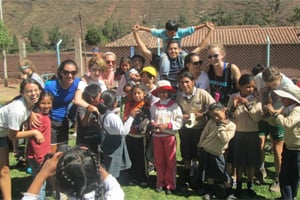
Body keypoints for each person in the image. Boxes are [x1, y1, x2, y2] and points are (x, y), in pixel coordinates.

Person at [256, 66, 300, 192]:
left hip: (278, 118)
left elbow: (296, 102)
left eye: (274, 84)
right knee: (260, 144)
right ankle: (260, 170)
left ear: (279, 77)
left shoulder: (289, 86)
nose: (272, 87)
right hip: (264, 115)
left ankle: (278, 178)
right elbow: (259, 94)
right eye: (268, 84)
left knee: (277, 149)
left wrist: (277, 112)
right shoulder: (258, 78)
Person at [22, 146, 125, 200]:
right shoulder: (114, 196)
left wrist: (42, 174)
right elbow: (114, 187)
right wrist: (91, 161)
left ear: (61, 188)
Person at [132, 23, 214, 88]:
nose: (173, 51)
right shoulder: (160, 60)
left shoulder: (185, 59)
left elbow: (201, 47)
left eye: (175, 48)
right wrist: (135, 33)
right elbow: (144, 49)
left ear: (179, 49)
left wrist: (210, 31)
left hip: (181, 91)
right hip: (166, 92)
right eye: (171, 49)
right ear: (167, 50)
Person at [0, 79, 43, 200]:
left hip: (1, 135)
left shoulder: (29, 104)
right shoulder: (17, 111)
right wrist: (34, 132)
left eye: (35, 90)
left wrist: (32, 114)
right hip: (4, 134)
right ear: (22, 93)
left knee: (4, 170)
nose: (33, 93)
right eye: (29, 91)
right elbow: (12, 136)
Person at [176, 71, 215, 190]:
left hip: (200, 129)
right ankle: (186, 179)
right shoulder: (179, 96)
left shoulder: (202, 93)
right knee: (186, 155)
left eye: (187, 82)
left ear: (193, 82)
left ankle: (199, 180)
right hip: (185, 130)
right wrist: (182, 116)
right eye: (182, 82)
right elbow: (176, 111)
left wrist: (202, 114)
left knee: (198, 156)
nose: (185, 85)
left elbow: (214, 106)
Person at [227, 74, 262, 197]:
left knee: (251, 163)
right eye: (248, 87)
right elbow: (229, 117)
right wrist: (233, 107)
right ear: (240, 86)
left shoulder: (256, 98)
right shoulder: (233, 97)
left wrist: (248, 104)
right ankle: (239, 184)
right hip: (238, 133)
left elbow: (257, 117)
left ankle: (250, 185)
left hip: (252, 133)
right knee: (238, 162)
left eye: (253, 87)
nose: (251, 89)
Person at [265, 90, 300, 200]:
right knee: (287, 175)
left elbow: (287, 123)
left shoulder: (297, 110)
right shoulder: (288, 109)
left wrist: (273, 112)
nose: (281, 100)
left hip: (296, 149)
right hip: (289, 146)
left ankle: (288, 197)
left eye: (284, 98)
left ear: (291, 99)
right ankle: (289, 197)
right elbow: (276, 120)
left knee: (290, 175)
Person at [197, 102, 236, 200]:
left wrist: (221, 127)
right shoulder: (211, 122)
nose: (215, 118)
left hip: (217, 153)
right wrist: (200, 145)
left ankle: (229, 193)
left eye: (217, 114)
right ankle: (210, 192)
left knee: (223, 173)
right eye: (212, 115)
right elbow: (204, 133)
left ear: (224, 111)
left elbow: (224, 139)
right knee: (209, 173)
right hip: (206, 150)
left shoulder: (231, 126)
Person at [150, 80, 183, 195]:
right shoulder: (154, 106)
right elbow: (152, 117)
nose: (163, 94)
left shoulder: (174, 106)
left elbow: (179, 121)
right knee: (159, 161)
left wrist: (168, 125)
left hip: (169, 136)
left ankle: (170, 184)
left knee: (170, 161)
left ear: (169, 92)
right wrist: (153, 123)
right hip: (156, 136)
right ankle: (160, 182)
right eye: (160, 92)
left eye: (165, 92)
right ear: (157, 93)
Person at [98, 90, 139, 178]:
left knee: (110, 162)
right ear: (114, 103)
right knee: (114, 164)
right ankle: (110, 183)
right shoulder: (113, 117)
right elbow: (123, 131)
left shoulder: (102, 114)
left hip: (108, 140)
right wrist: (131, 117)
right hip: (115, 143)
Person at [42, 59, 81, 153]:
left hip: (64, 121)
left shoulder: (77, 83)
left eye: (73, 72)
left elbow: (89, 77)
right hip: (49, 121)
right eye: (66, 72)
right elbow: (39, 103)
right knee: (52, 153)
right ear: (60, 72)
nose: (70, 75)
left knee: (62, 151)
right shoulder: (50, 86)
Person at [26, 91, 53, 200]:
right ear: (37, 103)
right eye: (43, 103)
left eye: (49, 103)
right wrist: (40, 157)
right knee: (39, 182)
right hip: (37, 156)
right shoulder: (38, 118)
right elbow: (34, 141)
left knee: (42, 181)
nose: (46, 106)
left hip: (42, 155)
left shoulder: (45, 116)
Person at [123, 84, 150, 186]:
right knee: (131, 157)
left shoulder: (146, 105)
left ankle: (143, 178)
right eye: (134, 93)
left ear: (144, 94)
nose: (136, 95)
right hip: (129, 134)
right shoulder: (129, 104)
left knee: (141, 158)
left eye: (139, 93)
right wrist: (131, 115)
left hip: (141, 136)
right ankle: (133, 177)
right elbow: (124, 117)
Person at [76, 84, 102, 153]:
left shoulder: (99, 106)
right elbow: (84, 123)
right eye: (100, 96)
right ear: (92, 98)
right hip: (84, 141)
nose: (101, 98)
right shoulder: (82, 107)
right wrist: (88, 111)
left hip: (97, 139)